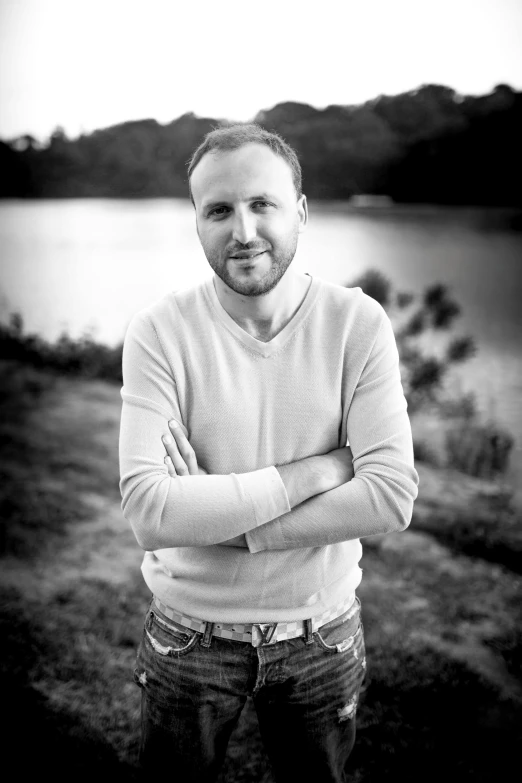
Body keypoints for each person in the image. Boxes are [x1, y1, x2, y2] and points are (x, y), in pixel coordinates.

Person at [119, 123, 419, 782]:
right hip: (189, 632)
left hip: (321, 630)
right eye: (219, 210)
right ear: (196, 222)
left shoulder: (357, 324)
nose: (244, 230)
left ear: (302, 212)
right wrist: (322, 469)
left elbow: (392, 494)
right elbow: (149, 511)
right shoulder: (159, 332)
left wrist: (226, 524)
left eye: (263, 204)